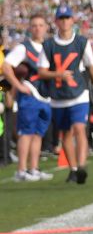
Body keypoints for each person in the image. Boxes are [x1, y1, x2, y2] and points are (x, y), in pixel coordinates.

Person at [41, 4, 93, 184]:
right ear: (56, 21)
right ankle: (73, 168)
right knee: (65, 134)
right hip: (59, 96)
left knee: (79, 129)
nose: (64, 21)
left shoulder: (81, 42)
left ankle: (82, 166)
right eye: (61, 18)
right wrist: (57, 74)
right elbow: (42, 71)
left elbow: (92, 68)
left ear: (72, 20)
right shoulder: (49, 44)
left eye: (67, 18)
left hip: (79, 93)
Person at [3, 15, 54, 181]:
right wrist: (18, 86)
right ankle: (21, 170)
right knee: (26, 132)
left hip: (46, 96)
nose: (38, 28)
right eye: (34, 25)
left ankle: (34, 168)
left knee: (38, 133)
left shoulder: (49, 47)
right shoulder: (24, 48)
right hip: (30, 94)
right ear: (30, 28)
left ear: (46, 27)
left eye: (41, 25)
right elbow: (6, 66)